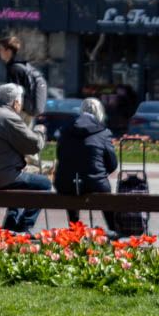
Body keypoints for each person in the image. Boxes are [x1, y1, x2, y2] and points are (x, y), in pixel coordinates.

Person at [0, 83, 49, 233]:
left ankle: (11, 223)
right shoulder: (9, 118)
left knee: (22, 183)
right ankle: (24, 226)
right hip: (1, 177)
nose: (20, 106)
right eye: (20, 102)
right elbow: (33, 145)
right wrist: (40, 132)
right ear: (15, 102)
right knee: (44, 184)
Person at [54, 97, 119, 230]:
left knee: (69, 181)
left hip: (65, 183)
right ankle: (113, 228)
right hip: (95, 183)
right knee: (104, 189)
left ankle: (74, 227)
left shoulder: (65, 130)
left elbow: (60, 155)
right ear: (99, 112)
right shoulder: (103, 132)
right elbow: (112, 163)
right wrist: (99, 172)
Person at [0, 36, 45, 169]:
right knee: (24, 139)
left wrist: (12, 112)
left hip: (22, 110)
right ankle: (32, 167)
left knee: (21, 140)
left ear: (8, 51)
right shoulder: (23, 65)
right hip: (28, 109)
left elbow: (15, 92)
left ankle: (36, 167)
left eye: (1, 49)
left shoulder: (14, 68)